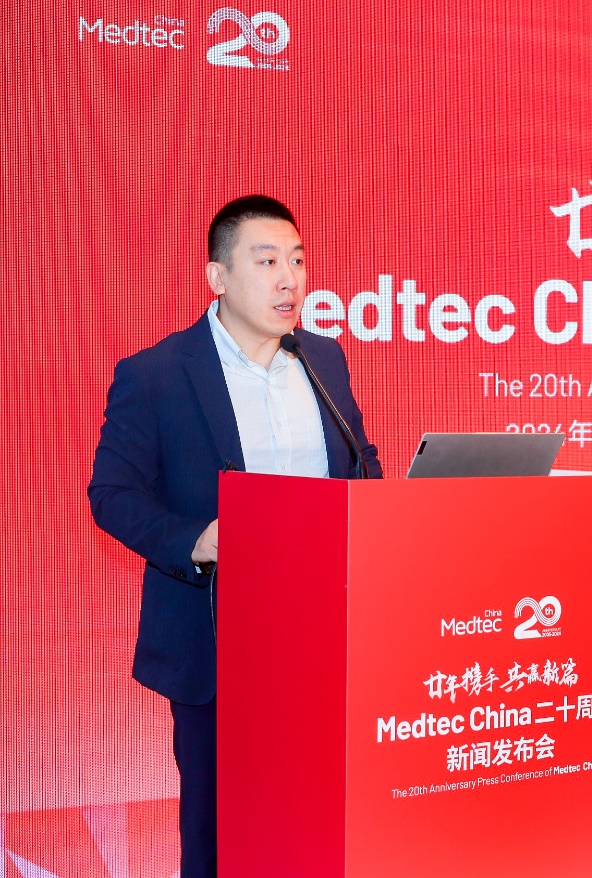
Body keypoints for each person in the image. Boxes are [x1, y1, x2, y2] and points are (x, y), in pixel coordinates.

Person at [88, 194, 381, 878]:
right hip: (217, 635)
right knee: (222, 833)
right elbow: (113, 494)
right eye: (268, 261)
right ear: (218, 277)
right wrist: (197, 541)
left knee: (321, 818)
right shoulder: (156, 374)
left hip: (324, 632)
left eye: (298, 261)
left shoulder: (324, 359)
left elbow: (361, 462)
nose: (290, 279)